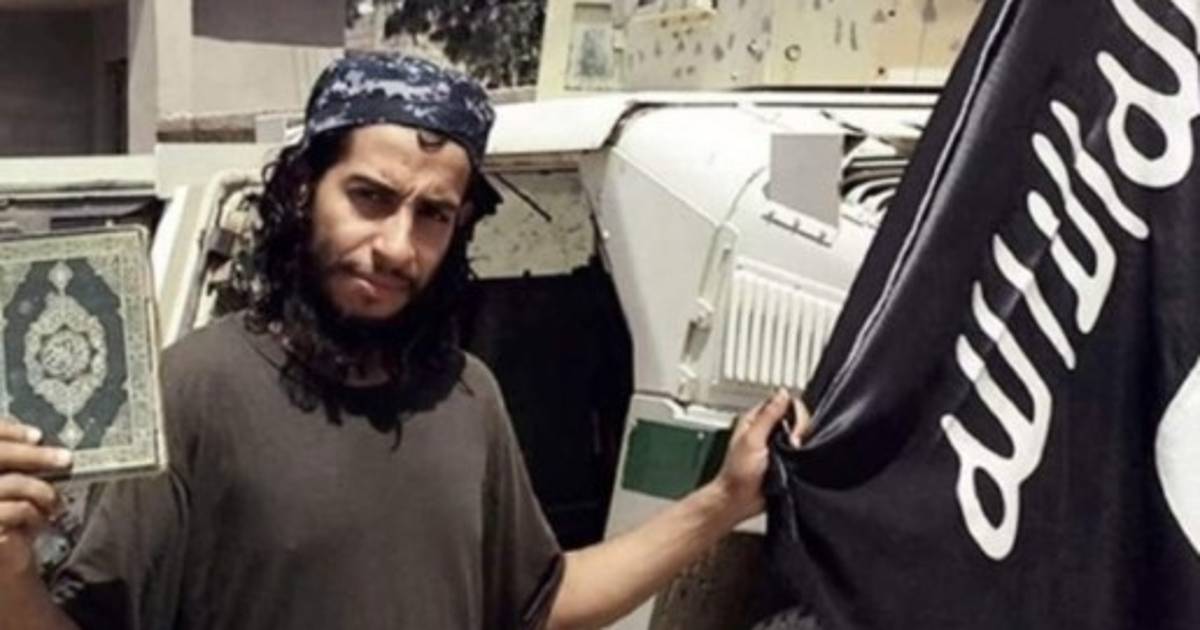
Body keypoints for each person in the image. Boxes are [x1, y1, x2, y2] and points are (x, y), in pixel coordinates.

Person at [0, 53, 808, 630]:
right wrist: (9, 573)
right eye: (370, 197)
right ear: (303, 190)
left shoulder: (466, 397)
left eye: (433, 215)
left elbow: (542, 601)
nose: (396, 246)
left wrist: (722, 502)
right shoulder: (196, 390)